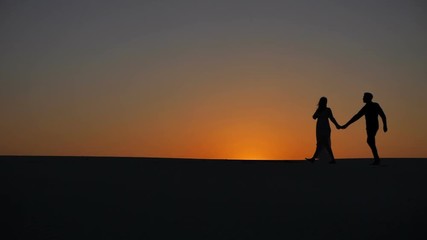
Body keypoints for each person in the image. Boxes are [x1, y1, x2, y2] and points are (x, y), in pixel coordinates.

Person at [341, 92, 387, 165]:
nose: (363, 98)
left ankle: (377, 159)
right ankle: (377, 159)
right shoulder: (366, 107)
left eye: (364, 97)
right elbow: (357, 116)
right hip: (368, 127)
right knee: (370, 141)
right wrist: (346, 125)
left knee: (370, 140)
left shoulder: (375, 105)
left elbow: (383, 115)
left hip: (373, 126)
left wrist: (385, 125)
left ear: (368, 98)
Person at [306, 97, 341, 164]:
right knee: (322, 144)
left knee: (323, 144)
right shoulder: (319, 110)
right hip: (319, 128)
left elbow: (332, 118)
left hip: (325, 128)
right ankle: (315, 158)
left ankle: (314, 158)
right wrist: (318, 112)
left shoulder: (328, 110)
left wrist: (337, 125)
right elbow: (314, 117)